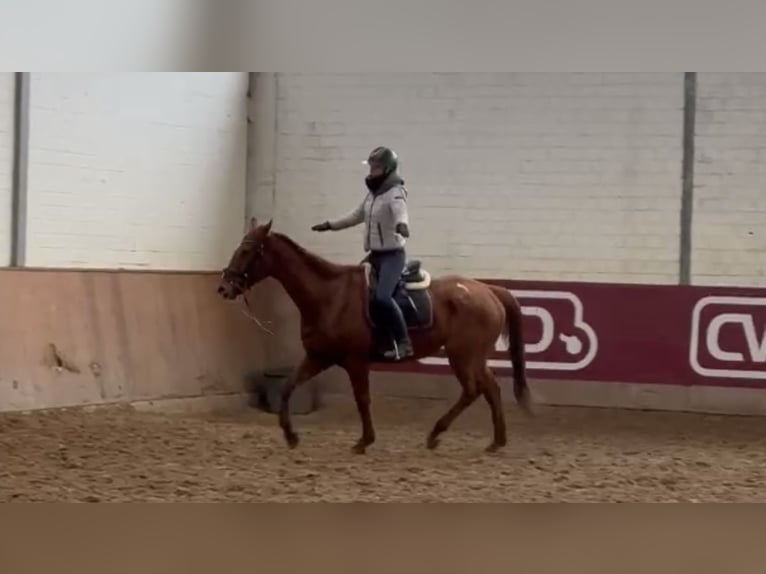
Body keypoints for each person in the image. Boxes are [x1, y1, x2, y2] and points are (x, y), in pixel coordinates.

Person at [311, 146, 414, 361]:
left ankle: (404, 343)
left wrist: (402, 225)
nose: (370, 172)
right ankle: (375, 338)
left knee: (383, 298)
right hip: (374, 256)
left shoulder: (395, 192)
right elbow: (356, 216)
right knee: (355, 294)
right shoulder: (373, 195)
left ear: (386, 169)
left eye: (375, 168)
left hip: (392, 256)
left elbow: (400, 212)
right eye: (370, 167)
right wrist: (331, 225)